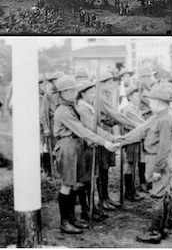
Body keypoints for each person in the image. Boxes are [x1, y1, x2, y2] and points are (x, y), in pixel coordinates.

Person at [52, 75, 119, 234]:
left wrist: (111, 138)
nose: (76, 92)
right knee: (67, 184)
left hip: (76, 146)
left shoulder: (72, 107)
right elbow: (82, 131)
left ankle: (71, 219)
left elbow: (90, 129)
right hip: (67, 146)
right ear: (63, 92)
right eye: (73, 90)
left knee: (75, 184)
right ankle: (65, 221)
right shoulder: (63, 111)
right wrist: (105, 143)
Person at [117, 84, 172, 244]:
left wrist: (157, 168)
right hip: (156, 158)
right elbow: (141, 131)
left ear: (159, 102)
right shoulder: (159, 116)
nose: (149, 104)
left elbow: (164, 146)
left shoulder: (165, 119)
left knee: (157, 195)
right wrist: (121, 141)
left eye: (151, 101)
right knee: (162, 194)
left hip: (159, 159)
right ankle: (163, 228)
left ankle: (154, 232)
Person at [97, 71, 140, 211]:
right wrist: (134, 124)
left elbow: (108, 117)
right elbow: (114, 114)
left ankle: (106, 197)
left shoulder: (105, 96)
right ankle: (102, 199)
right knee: (102, 168)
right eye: (108, 83)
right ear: (101, 84)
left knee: (106, 167)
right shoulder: (100, 97)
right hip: (101, 135)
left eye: (112, 83)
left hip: (106, 131)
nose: (111, 86)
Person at [76, 80, 118, 222]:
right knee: (86, 179)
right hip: (86, 146)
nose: (94, 95)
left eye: (95, 92)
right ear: (83, 94)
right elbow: (92, 128)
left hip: (93, 144)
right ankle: (86, 209)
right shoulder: (82, 108)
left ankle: (91, 207)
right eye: (91, 93)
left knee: (91, 178)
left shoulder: (88, 107)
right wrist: (111, 137)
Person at [120, 85, 146, 202]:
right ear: (129, 97)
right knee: (130, 164)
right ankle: (129, 192)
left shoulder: (136, 108)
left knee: (134, 164)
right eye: (136, 95)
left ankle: (132, 191)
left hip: (136, 139)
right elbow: (141, 123)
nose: (138, 98)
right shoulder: (129, 109)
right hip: (131, 140)